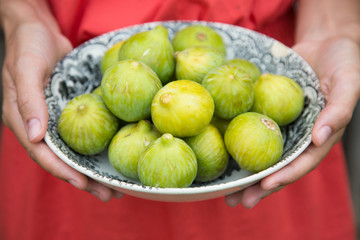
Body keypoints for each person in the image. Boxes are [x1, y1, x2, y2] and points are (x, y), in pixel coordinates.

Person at [0, 0, 359, 239]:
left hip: (279, 50)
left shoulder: (244, 84)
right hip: (66, 60)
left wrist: (334, 23)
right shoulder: (126, 84)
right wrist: (23, 16)